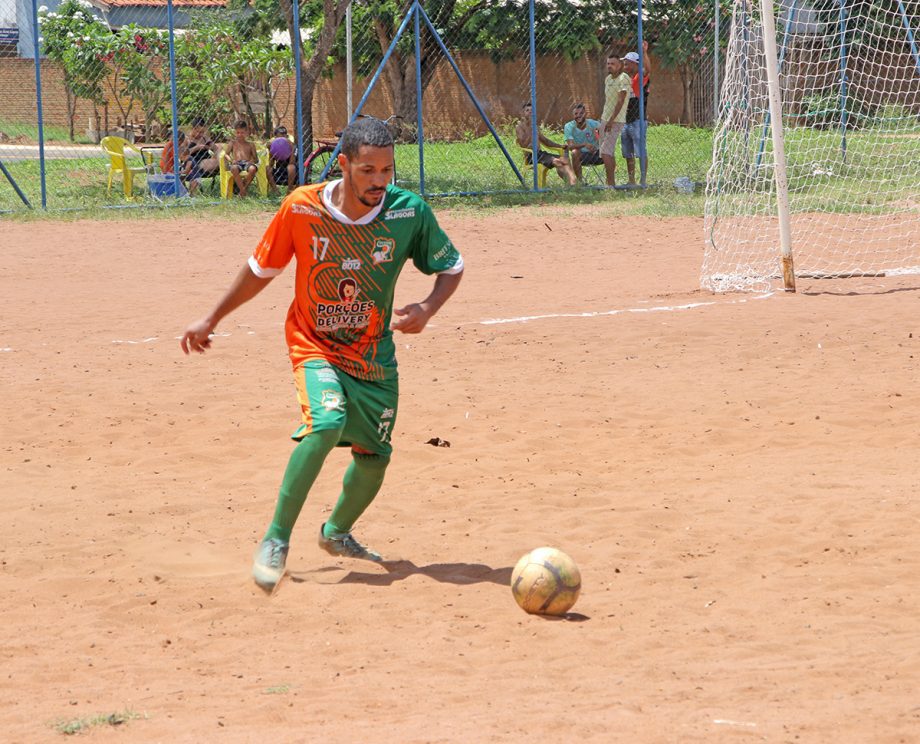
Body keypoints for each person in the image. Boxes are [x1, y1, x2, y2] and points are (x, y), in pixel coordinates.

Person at [180, 117, 464, 594]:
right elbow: (259, 270)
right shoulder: (302, 208)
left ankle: (335, 533)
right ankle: (275, 539)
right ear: (345, 164)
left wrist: (428, 308)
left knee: (374, 457)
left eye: (387, 170)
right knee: (327, 421)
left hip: (374, 354)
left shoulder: (408, 212)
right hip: (314, 343)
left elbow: (451, 266)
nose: (379, 181)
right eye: (368, 170)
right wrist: (212, 318)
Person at [514, 102, 577, 187]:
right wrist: (531, 130)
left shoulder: (535, 126)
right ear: (522, 113)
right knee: (558, 162)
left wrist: (560, 146)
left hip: (541, 154)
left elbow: (545, 141)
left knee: (564, 160)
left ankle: (573, 184)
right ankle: (571, 184)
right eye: (527, 110)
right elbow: (523, 145)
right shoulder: (519, 127)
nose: (530, 112)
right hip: (531, 156)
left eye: (532, 111)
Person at [600, 54, 631, 187]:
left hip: (615, 120)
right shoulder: (608, 79)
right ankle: (610, 182)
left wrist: (612, 120)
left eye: (612, 64)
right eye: (608, 63)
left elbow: (621, 100)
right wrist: (604, 119)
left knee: (605, 151)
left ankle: (611, 185)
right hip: (604, 119)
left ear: (620, 65)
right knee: (606, 152)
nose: (609, 66)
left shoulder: (623, 78)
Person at [620, 51, 650, 187]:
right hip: (625, 121)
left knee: (640, 152)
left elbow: (647, 70)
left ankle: (642, 181)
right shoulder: (625, 79)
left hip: (638, 120)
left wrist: (644, 52)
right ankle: (631, 181)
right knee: (628, 153)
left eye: (627, 61)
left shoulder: (640, 77)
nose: (624, 63)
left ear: (635, 63)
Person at [562, 103, 603, 184]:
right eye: (576, 114)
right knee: (574, 152)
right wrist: (585, 145)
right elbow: (570, 146)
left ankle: (610, 182)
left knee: (607, 149)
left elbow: (602, 137)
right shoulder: (569, 126)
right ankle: (580, 182)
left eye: (581, 113)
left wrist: (598, 142)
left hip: (597, 153)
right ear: (573, 115)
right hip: (582, 155)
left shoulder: (594, 124)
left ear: (586, 114)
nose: (578, 116)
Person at [222, 119, 259, 198]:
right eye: (238, 133)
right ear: (235, 132)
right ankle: (243, 191)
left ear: (246, 132)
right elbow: (226, 154)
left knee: (252, 169)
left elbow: (256, 159)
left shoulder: (250, 144)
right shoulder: (232, 143)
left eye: (242, 132)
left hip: (247, 163)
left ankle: (242, 190)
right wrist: (231, 160)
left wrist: (251, 161)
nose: (240, 135)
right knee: (234, 168)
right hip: (236, 163)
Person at [186, 117, 219, 195]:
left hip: (206, 160)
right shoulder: (187, 139)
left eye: (203, 132)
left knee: (220, 149)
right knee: (213, 162)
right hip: (194, 162)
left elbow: (215, 148)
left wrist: (210, 147)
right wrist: (196, 148)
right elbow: (182, 153)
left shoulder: (204, 138)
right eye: (199, 132)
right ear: (192, 128)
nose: (200, 134)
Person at [267, 125, 297, 195]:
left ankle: (289, 190)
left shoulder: (292, 146)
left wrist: (292, 148)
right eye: (279, 138)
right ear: (275, 138)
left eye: (283, 137)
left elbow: (292, 162)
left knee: (291, 167)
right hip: (279, 171)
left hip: (293, 173)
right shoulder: (274, 147)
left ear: (286, 137)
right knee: (268, 168)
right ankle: (276, 191)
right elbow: (271, 164)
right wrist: (271, 151)